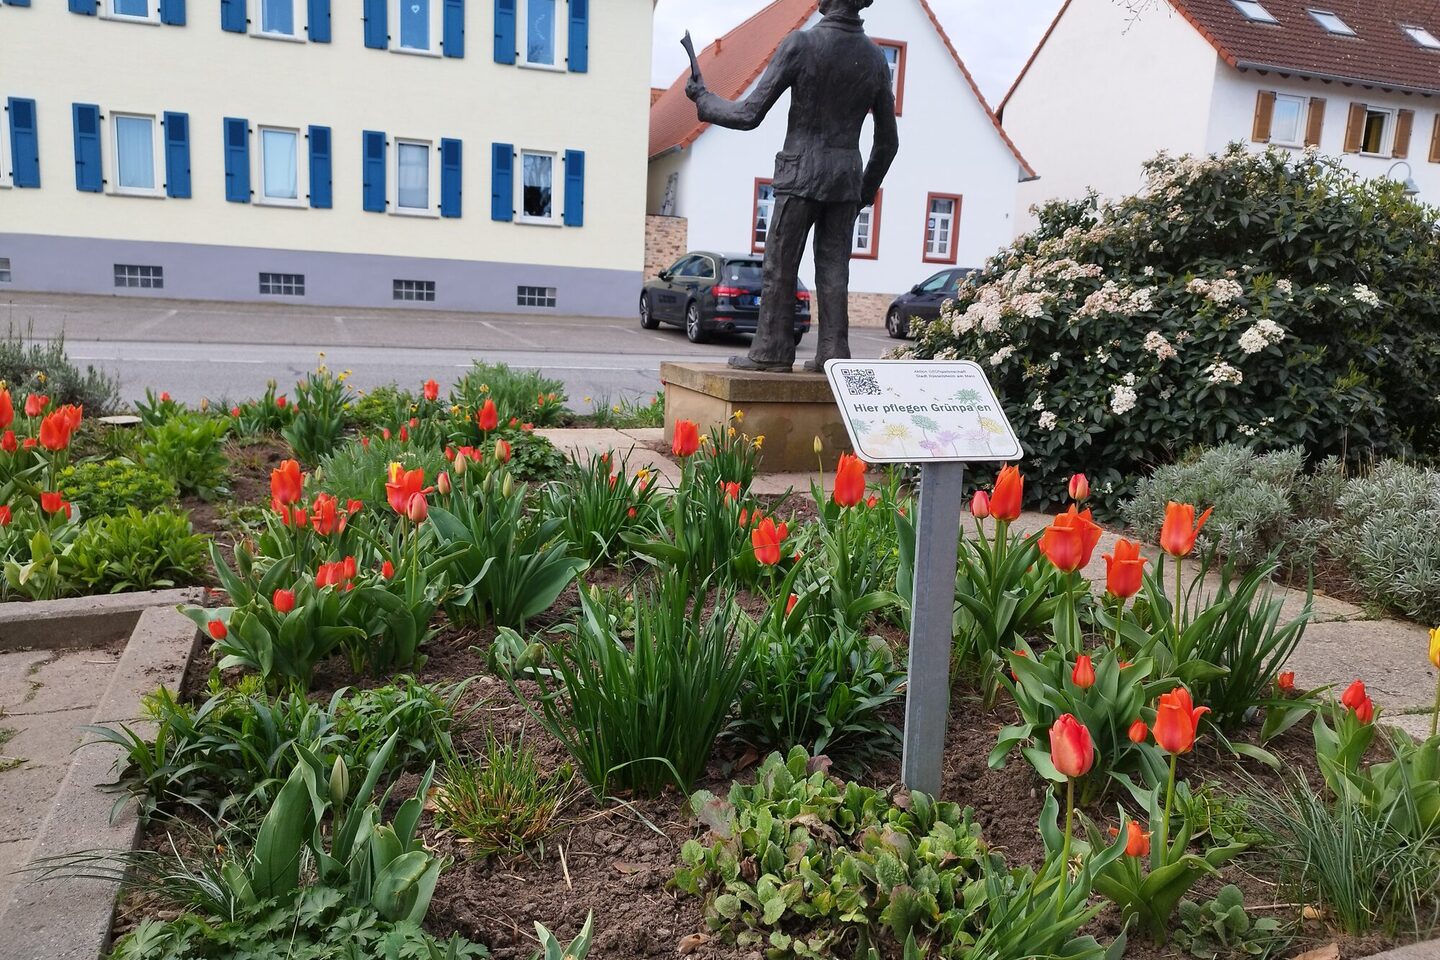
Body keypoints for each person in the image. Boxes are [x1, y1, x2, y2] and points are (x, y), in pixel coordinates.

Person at [686, 0, 899, 373]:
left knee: (780, 267)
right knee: (835, 272)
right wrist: (863, 190)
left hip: (800, 174)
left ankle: (772, 351)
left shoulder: (801, 44)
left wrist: (703, 100)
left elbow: (749, 113)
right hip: (845, 179)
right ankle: (833, 355)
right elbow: (887, 142)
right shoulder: (876, 59)